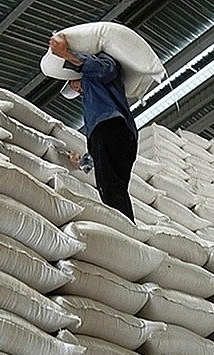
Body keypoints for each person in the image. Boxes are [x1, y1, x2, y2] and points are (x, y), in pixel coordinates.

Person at [49, 33, 138, 223]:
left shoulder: (102, 69)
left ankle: (125, 230)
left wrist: (67, 54)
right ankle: (128, 228)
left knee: (110, 189)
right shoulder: (91, 103)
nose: (77, 90)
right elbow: (101, 153)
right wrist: (83, 163)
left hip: (113, 128)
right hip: (118, 135)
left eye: (73, 84)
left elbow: (105, 69)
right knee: (113, 188)